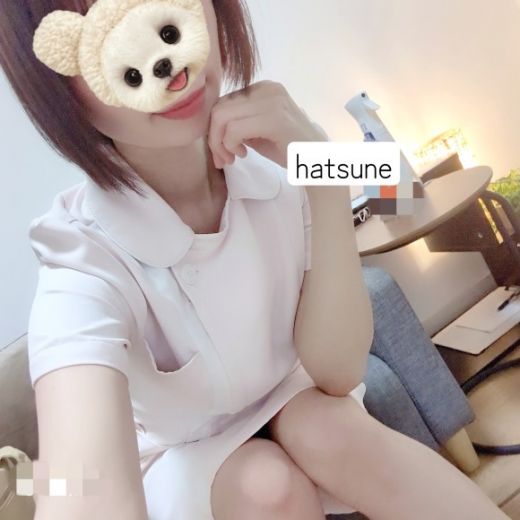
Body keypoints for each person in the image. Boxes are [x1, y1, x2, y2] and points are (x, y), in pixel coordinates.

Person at [0, 1, 510, 519]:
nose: (159, 59)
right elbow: (87, 489)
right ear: (54, 78)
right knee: (266, 484)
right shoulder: (82, 257)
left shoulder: (277, 152)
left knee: (323, 425)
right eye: (106, 35)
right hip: (180, 458)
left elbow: (337, 369)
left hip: (302, 408)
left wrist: (324, 175)